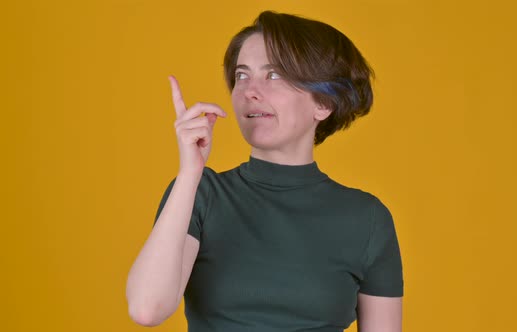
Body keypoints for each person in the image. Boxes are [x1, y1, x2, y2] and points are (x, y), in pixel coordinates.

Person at [126, 10, 403, 332]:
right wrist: (190, 173)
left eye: (273, 75)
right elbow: (147, 310)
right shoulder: (201, 193)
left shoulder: (366, 217)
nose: (249, 91)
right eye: (242, 75)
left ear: (324, 104)